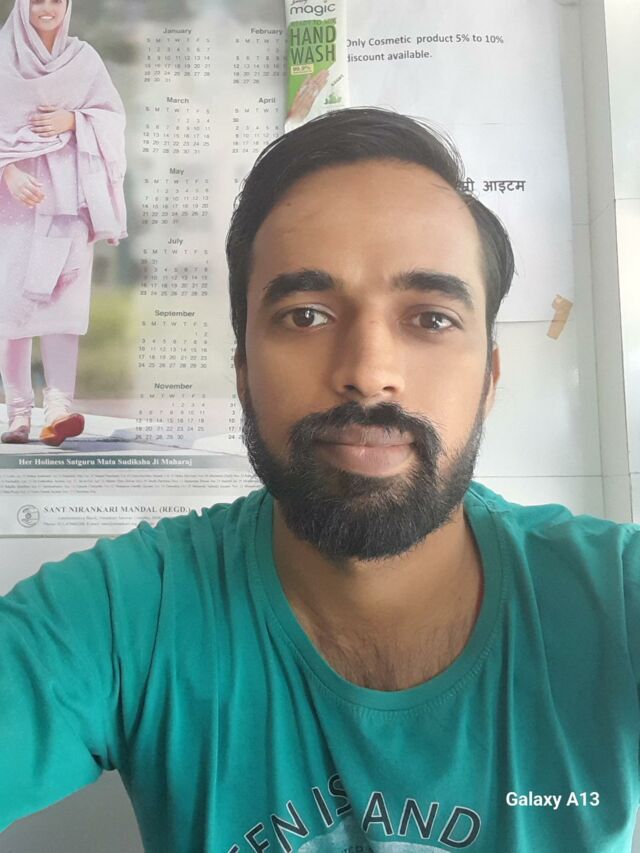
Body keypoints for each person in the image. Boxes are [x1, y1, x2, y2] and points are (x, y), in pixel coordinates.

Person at [1, 107, 639, 852]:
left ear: (490, 379)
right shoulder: (125, 614)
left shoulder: (616, 599)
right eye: (306, 315)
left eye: (431, 319)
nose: (368, 372)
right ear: (243, 371)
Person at [0, 0, 127, 447]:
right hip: (12, 206)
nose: (46, 8)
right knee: (11, 307)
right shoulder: (2, 60)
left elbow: (112, 117)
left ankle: (58, 408)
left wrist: (73, 119)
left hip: (69, 199)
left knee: (62, 300)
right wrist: (8, 172)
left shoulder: (83, 59)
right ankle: (17, 411)